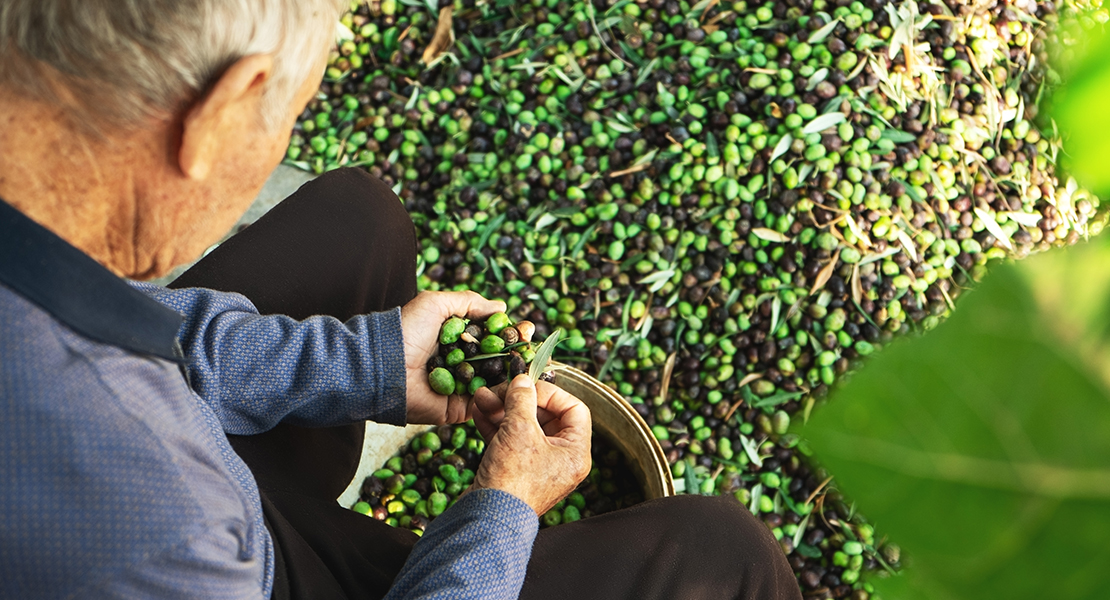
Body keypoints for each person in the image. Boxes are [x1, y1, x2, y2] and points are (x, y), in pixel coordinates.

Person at [0, 1, 803, 599]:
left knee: (360, 219)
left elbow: (158, 342)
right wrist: (501, 507)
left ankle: (321, 508)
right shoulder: (152, 524)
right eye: (285, 114)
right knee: (724, 554)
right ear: (222, 113)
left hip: (201, 477)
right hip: (235, 559)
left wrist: (369, 361)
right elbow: (137, 445)